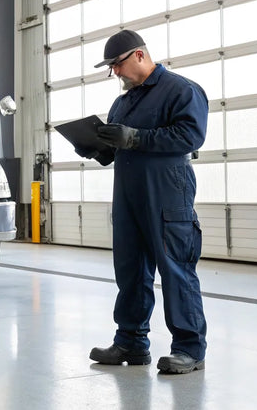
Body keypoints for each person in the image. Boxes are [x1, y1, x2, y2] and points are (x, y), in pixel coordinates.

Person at [83, 29, 209, 375]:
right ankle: (131, 342)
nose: (116, 73)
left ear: (139, 55)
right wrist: (94, 146)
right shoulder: (123, 102)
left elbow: (190, 135)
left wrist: (135, 137)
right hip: (128, 195)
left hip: (167, 193)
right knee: (130, 270)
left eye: (118, 65)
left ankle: (189, 348)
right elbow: (116, 148)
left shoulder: (181, 90)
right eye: (111, 68)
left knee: (176, 269)